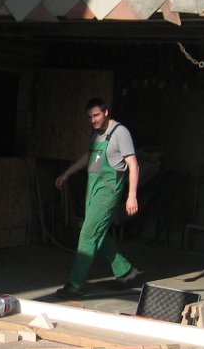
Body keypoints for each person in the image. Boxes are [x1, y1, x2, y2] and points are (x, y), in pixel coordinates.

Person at [54, 98, 141, 299]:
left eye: (96, 115)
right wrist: (68, 173)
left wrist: (131, 196)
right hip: (93, 190)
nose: (93, 120)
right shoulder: (96, 133)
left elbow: (133, 165)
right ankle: (126, 271)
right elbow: (90, 156)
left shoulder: (120, 132)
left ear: (106, 112)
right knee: (98, 233)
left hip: (107, 193)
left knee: (88, 235)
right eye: (90, 117)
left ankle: (75, 284)